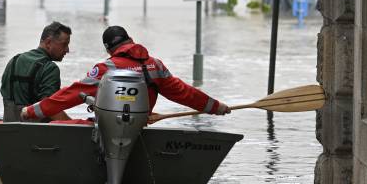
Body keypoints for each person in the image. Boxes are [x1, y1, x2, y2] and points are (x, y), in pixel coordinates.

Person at [20, 25, 231, 121]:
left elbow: (71, 94)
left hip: (109, 129)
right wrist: (216, 106)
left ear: (109, 49)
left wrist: (32, 111)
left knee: (75, 124)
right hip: (139, 126)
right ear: (130, 40)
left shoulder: (106, 68)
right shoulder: (155, 66)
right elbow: (185, 93)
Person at [0, 21, 71, 122]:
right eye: (64, 44)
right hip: (36, 130)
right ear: (48, 43)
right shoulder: (50, 68)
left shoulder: (14, 61)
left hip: (8, 128)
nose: (67, 50)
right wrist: (77, 125)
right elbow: (50, 109)